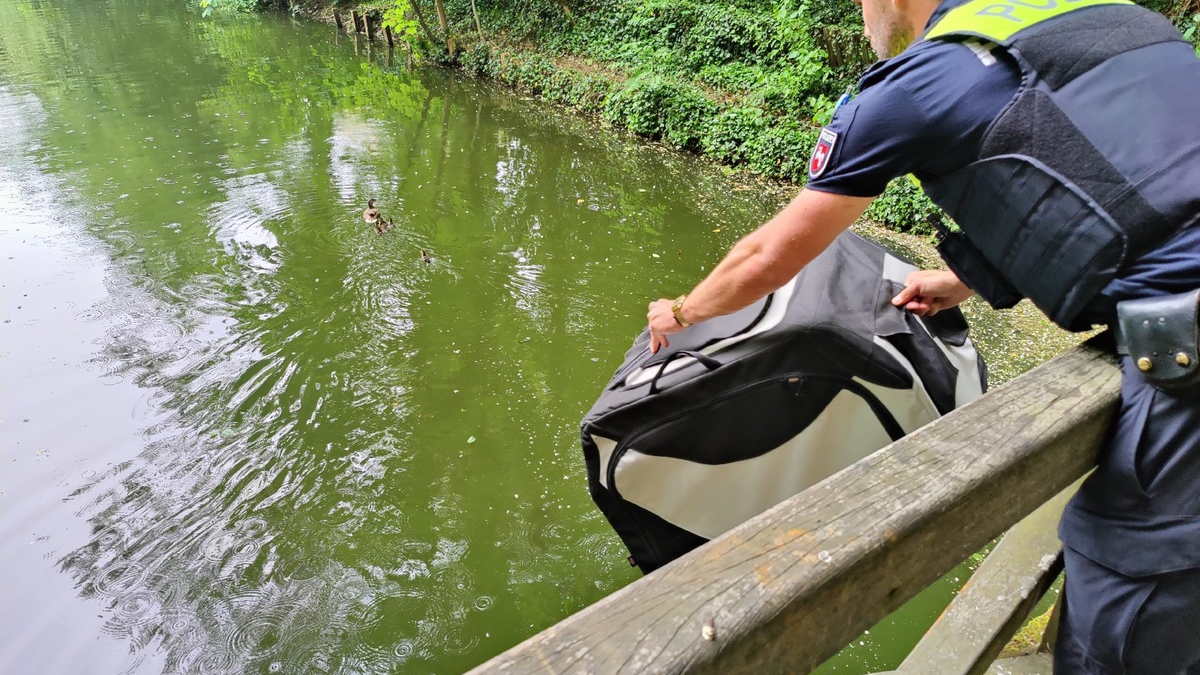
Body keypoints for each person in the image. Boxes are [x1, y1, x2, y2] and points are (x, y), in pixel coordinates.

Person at [644, 0, 1200, 673]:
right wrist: (959, 279)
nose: (862, 20)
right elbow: (1118, 183)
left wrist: (680, 310)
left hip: (1184, 347)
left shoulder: (915, 84)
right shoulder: (1105, 15)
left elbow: (768, 255)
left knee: (1126, 585)